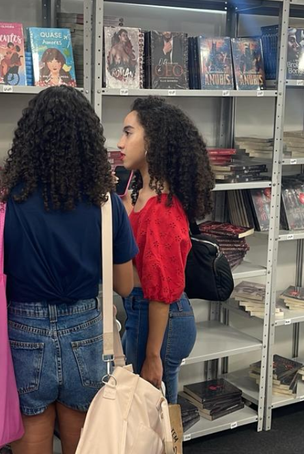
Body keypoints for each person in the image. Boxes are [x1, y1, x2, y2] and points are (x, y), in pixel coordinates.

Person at [0, 86, 137, 454]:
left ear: (28, 137)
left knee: (31, 436)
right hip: (87, 332)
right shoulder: (106, 203)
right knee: (86, 442)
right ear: (89, 141)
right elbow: (125, 284)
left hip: (22, 333)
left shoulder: (3, 200)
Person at [116, 96, 214, 404]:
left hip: (159, 317)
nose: (120, 142)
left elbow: (160, 291)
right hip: (144, 311)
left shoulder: (161, 210)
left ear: (153, 141)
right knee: (146, 411)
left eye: (128, 132)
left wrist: (153, 355)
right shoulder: (142, 193)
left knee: (155, 418)